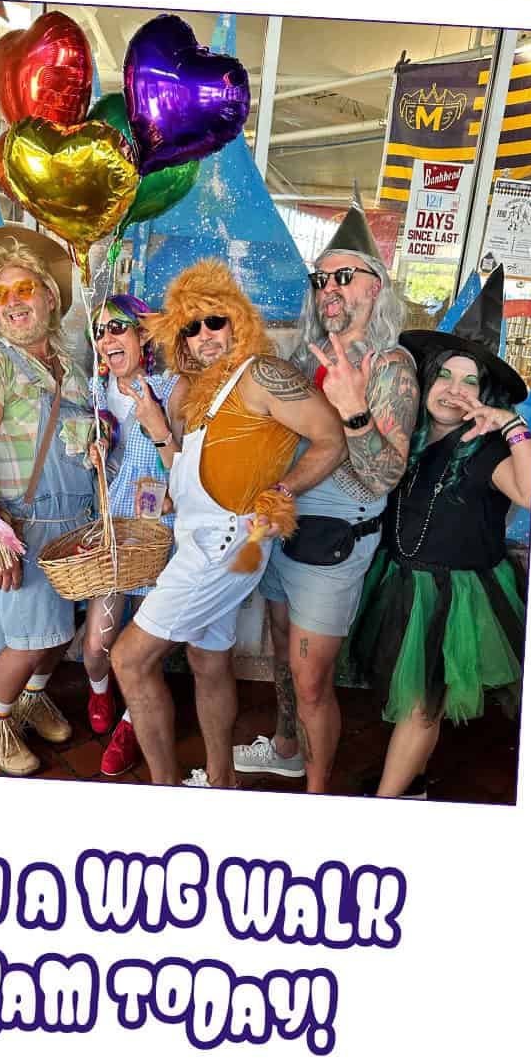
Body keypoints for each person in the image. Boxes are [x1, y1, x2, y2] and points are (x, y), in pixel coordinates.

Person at [110, 259, 347, 789]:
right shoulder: (196, 393)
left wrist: (283, 492)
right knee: (206, 658)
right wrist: (157, 429)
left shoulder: (261, 374)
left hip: (225, 545)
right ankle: (222, 782)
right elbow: (184, 473)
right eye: (190, 328)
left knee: (129, 660)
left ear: (238, 319)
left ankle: (166, 794)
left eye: (214, 320)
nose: (204, 335)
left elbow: (331, 439)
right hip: (200, 540)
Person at [233, 196, 419, 793]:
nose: (329, 289)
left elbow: (384, 477)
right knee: (282, 653)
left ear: (375, 287)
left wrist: (354, 411)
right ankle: (288, 748)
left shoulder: (391, 367)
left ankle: (317, 800)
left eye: (344, 276)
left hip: (332, 544)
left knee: (311, 680)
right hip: (282, 527)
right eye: (321, 279)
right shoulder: (301, 357)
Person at [342, 266, 531, 798]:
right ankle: (409, 782)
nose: (454, 390)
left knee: (422, 706)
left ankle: (387, 804)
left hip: (456, 599)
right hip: (399, 581)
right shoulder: (406, 435)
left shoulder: (488, 448)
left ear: (485, 394)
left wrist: (512, 426)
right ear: (426, 381)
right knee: (410, 695)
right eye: (445, 376)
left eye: (470, 381)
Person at [0, 226, 98, 777]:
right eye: (1, 294)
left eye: (25, 289)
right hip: (23, 529)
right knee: (29, 641)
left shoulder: (71, 369)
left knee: (59, 634)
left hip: (74, 527)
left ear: (50, 297)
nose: (13, 302)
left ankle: (32, 699)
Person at [83, 293, 188, 778]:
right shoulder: (93, 390)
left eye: (118, 327)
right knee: (96, 648)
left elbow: (186, 467)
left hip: (155, 538)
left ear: (142, 335)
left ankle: (130, 723)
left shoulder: (170, 389)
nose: (107, 338)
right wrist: (93, 452)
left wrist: (157, 424)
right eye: (99, 331)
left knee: (143, 652)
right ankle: (99, 690)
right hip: (111, 536)